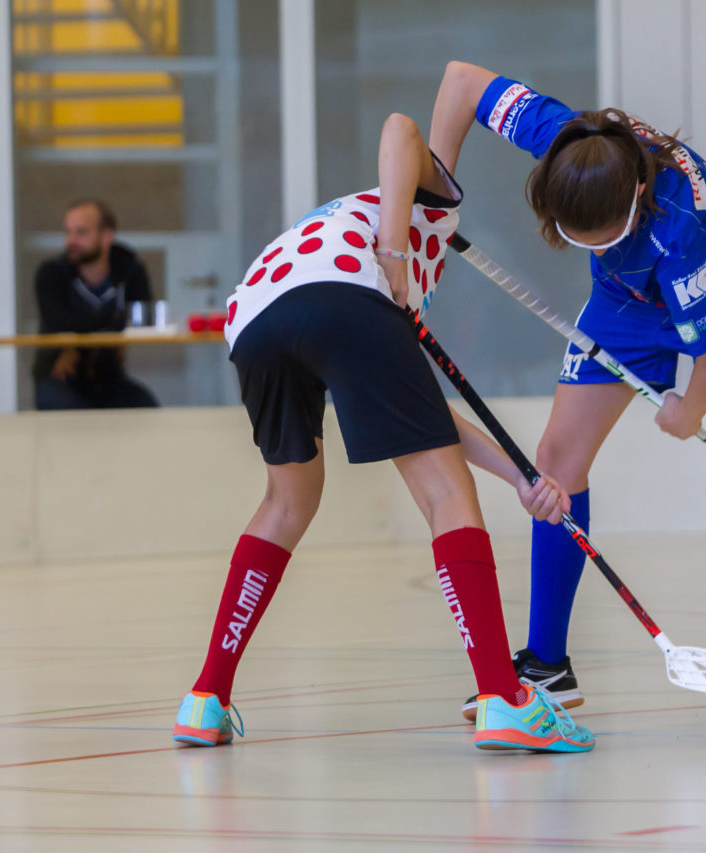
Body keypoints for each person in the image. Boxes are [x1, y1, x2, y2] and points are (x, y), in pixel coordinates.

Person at [431, 62, 706, 730]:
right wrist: (437, 194)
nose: (589, 244)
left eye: (603, 233)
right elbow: (461, 82)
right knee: (556, 458)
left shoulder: (676, 228)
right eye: (581, 237)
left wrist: (688, 408)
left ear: (634, 193)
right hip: (626, 297)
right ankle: (547, 660)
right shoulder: (564, 137)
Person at [171, 110, 594, 754]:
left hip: (256, 318)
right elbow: (399, 128)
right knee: (445, 496)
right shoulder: (433, 209)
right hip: (345, 297)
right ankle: (503, 698)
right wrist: (394, 250)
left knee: (288, 502)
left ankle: (206, 698)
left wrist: (521, 476)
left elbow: (423, 418)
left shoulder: (359, 244)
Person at [32, 199, 159, 410]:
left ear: (106, 236)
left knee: (148, 411)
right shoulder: (51, 273)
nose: (71, 241)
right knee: (76, 420)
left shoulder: (130, 269)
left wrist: (79, 336)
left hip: (109, 378)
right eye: (68, 232)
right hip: (60, 377)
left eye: (81, 233)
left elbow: (142, 318)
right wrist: (114, 321)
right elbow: (59, 322)